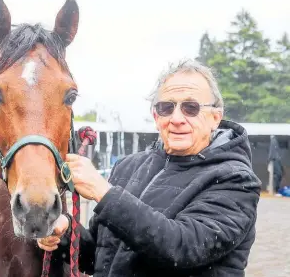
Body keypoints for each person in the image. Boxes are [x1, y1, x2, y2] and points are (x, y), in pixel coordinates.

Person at [38, 59, 261, 276]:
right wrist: (65, 232)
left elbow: (182, 248)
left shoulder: (236, 180)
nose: (176, 118)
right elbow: (98, 254)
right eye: (166, 107)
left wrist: (102, 192)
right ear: (156, 116)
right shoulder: (127, 167)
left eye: (191, 108)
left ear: (215, 118)